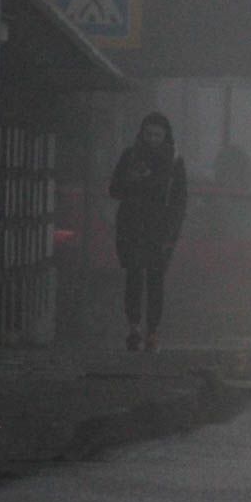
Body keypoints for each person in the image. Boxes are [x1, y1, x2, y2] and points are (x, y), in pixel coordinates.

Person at [108, 112, 187, 352]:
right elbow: (114, 189)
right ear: (142, 134)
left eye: (158, 135)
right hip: (131, 226)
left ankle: (152, 331)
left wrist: (171, 232)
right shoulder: (130, 156)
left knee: (155, 280)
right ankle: (134, 328)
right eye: (149, 134)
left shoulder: (174, 162)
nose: (153, 139)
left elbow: (179, 200)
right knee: (133, 277)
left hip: (159, 230)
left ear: (165, 137)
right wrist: (131, 180)